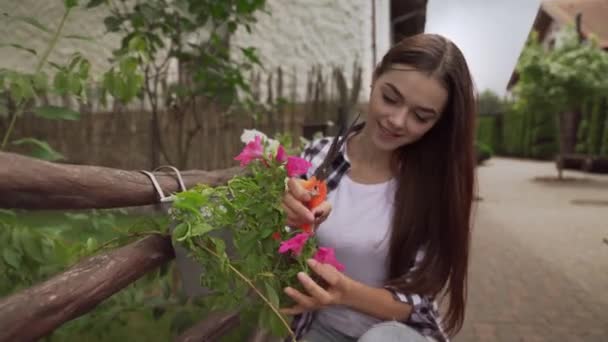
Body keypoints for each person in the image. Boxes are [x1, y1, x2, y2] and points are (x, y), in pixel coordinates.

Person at [280, 33, 476, 342]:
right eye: (390, 98)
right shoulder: (317, 158)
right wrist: (285, 215)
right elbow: (280, 247)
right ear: (375, 78)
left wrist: (344, 291)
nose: (397, 120)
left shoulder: (436, 187)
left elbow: (415, 302)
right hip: (319, 329)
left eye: (421, 117)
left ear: (438, 123)